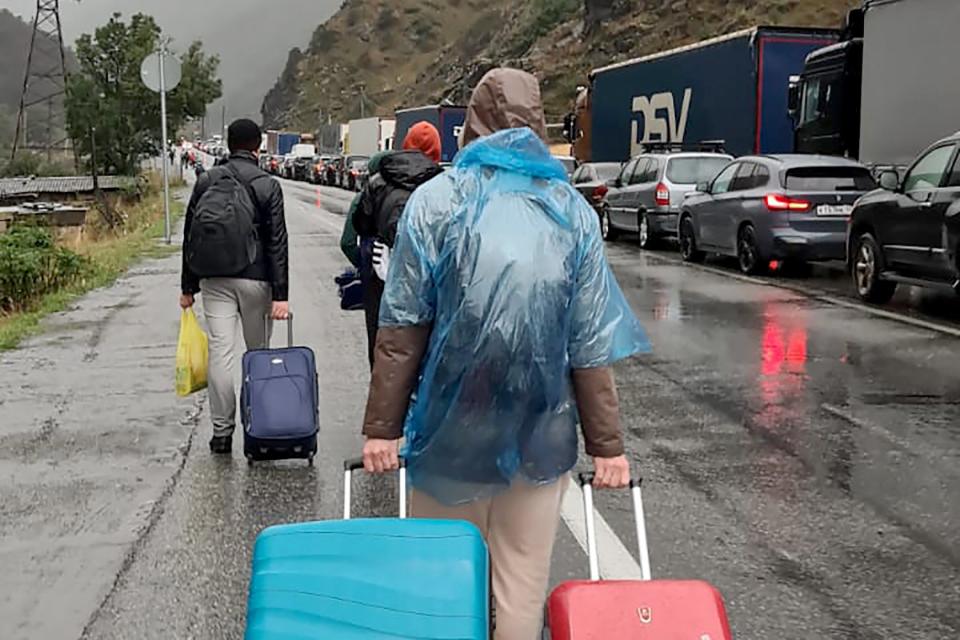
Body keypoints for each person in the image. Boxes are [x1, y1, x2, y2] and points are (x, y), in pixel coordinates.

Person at [359, 69, 649, 639]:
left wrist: (381, 429)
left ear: (471, 124)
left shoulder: (435, 203)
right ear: (538, 123)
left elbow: (402, 328)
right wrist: (607, 447)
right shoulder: (571, 211)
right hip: (538, 429)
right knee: (520, 583)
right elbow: (588, 341)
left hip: (450, 428)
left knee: (441, 581)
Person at [179, 118, 290, 454]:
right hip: (256, 281)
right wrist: (281, 295)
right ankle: (258, 429)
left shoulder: (206, 180)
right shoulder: (267, 184)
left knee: (221, 355)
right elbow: (277, 243)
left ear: (228, 145)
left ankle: (222, 433)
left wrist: (188, 286)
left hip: (214, 280)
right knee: (257, 356)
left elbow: (190, 236)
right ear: (258, 146)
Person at [352, 122, 443, 368]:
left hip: (381, 275)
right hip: (429, 277)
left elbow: (360, 225)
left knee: (383, 344)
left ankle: (384, 397)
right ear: (436, 151)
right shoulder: (443, 184)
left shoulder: (378, 182)